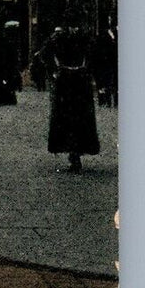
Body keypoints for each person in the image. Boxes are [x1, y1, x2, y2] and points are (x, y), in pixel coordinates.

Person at [47, 19, 100, 173]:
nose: (74, 29)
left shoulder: (85, 39)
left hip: (79, 82)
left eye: (76, 26)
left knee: (79, 118)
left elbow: (95, 56)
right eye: (72, 26)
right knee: (68, 119)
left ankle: (76, 151)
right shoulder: (60, 38)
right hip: (67, 82)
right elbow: (46, 53)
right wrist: (55, 70)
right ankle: (72, 152)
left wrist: (88, 71)